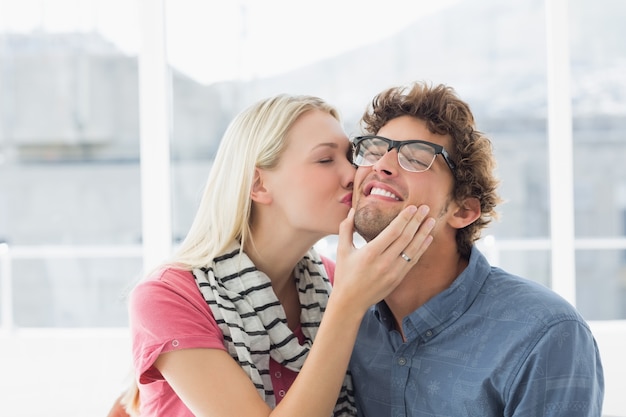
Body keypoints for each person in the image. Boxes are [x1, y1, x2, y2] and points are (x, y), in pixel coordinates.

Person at [123, 93, 436, 417]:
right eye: (326, 160)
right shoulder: (167, 297)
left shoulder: (337, 280)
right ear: (258, 184)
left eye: (350, 157)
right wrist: (348, 303)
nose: (352, 175)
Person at [348, 81, 604, 416]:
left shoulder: (545, 334)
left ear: (463, 210)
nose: (381, 165)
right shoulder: (343, 322)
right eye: (374, 150)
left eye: (416, 158)